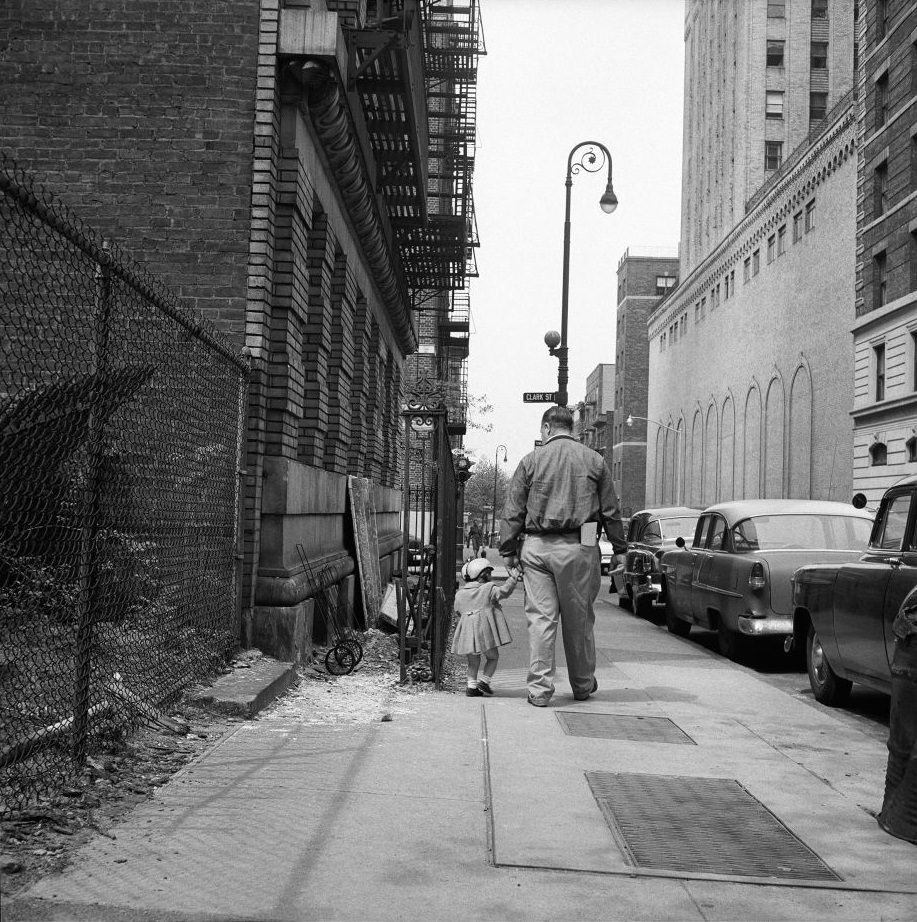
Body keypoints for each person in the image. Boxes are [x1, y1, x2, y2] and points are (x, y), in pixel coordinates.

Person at [499, 405, 627, 707]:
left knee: (541, 621)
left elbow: (513, 508)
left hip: (536, 548)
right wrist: (620, 549)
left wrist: (508, 550)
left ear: (546, 429)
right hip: (579, 549)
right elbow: (611, 510)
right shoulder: (594, 460)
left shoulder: (531, 460)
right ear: (572, 427)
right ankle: (582, 685)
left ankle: (540, 691)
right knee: (579, 620)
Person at [451, 557, 520, 697]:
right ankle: (484, 680)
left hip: (468, 633)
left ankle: (471, 687)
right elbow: (504, 592)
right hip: (485, 632)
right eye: (489, 573)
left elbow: (457, 611)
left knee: (473, 662)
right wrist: (512, 579)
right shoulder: (488, 588)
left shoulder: (460, 594)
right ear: (485, 574)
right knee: (493, 657)